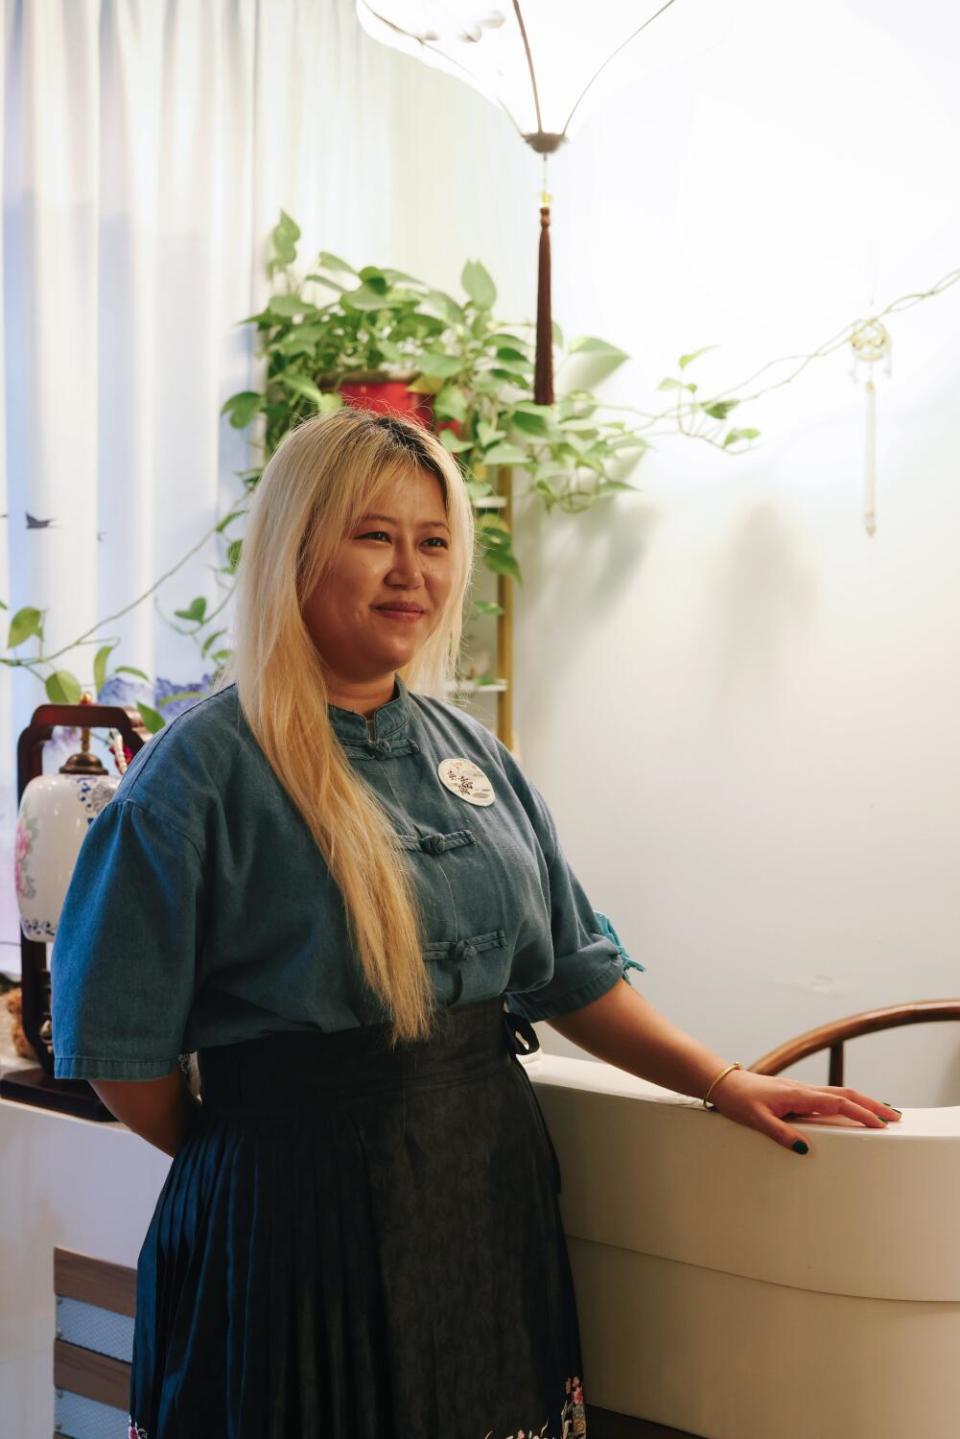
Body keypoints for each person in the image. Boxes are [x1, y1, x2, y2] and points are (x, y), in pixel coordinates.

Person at [51, 408, 901, 1439]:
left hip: (481, 1187)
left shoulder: (475, 755)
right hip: (287, 1216)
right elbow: (122, 1047)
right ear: (296, 547)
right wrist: (247, 1148)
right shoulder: (198, 772)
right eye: (374, 536)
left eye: (434, 539)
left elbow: (573, 971)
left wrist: (722, 1079)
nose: (411, 570)